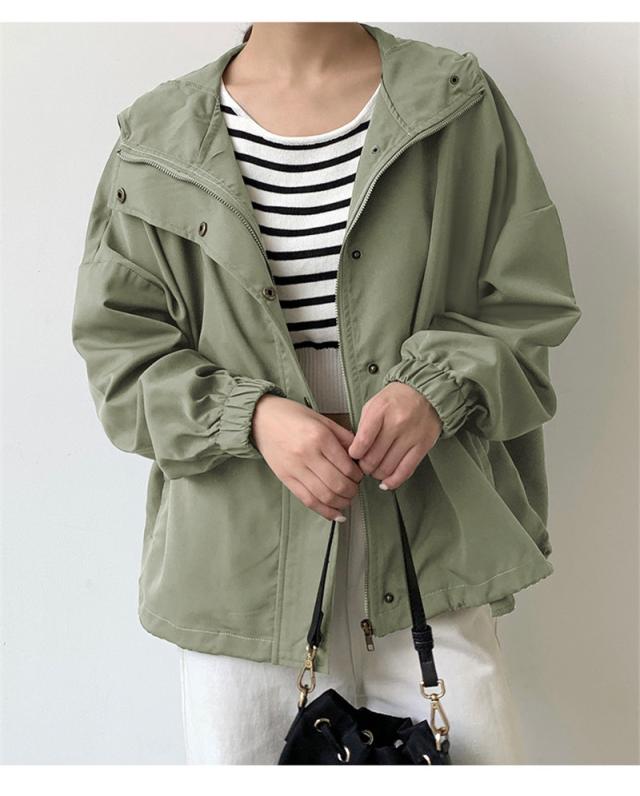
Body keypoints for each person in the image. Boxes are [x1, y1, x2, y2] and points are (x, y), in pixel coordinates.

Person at [71, 22, 582, 764]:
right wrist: (252, 418)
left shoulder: (451, 102)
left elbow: (528, 299)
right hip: (240, 557)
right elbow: (120, 350)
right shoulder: (159, 137)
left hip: (429, 527)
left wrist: (435, 390)